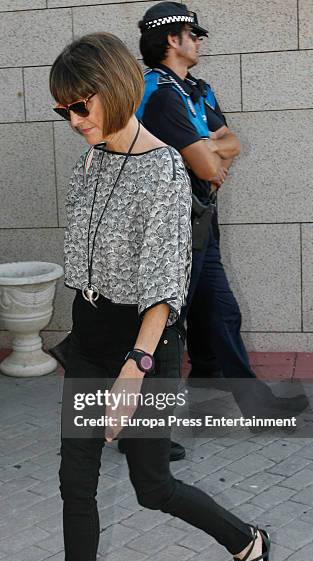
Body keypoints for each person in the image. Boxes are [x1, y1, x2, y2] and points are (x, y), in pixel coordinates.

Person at [50, 32, 271, 561]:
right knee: (75, 484)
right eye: (63, 109)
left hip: (145, 346)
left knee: (153, 487)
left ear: (118, 91)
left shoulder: (165, 170)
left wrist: (134, 371)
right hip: (91, 335)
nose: (73, 119)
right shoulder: (91, 162)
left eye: (81, 105)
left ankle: (246, 541)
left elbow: (165, 286)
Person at [137, 1, 308, 424]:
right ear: (171, 39)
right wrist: (212, 155)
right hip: (168, 230)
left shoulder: (195, 89)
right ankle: (142, 429)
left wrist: (211, 151)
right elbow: (210, 165)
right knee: (164, 328)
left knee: (220, 313)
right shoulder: (158, 94)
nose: (199, 43)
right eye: (194, 35)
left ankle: (238, 399)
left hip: (201, 224)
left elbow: (230, 141)